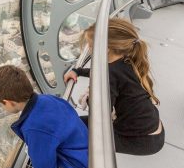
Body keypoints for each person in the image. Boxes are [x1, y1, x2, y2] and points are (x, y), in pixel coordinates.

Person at [64, 18, 164, 156]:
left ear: (105, 49)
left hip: (142, 141)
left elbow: (101, 112)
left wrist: (88, 96)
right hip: (152, 129)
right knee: (74, 125)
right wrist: (78, 71)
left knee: (75, 134)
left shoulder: (110, 73)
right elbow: (108, 74)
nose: (90, 50)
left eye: (91, 46)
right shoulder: (127, 59)